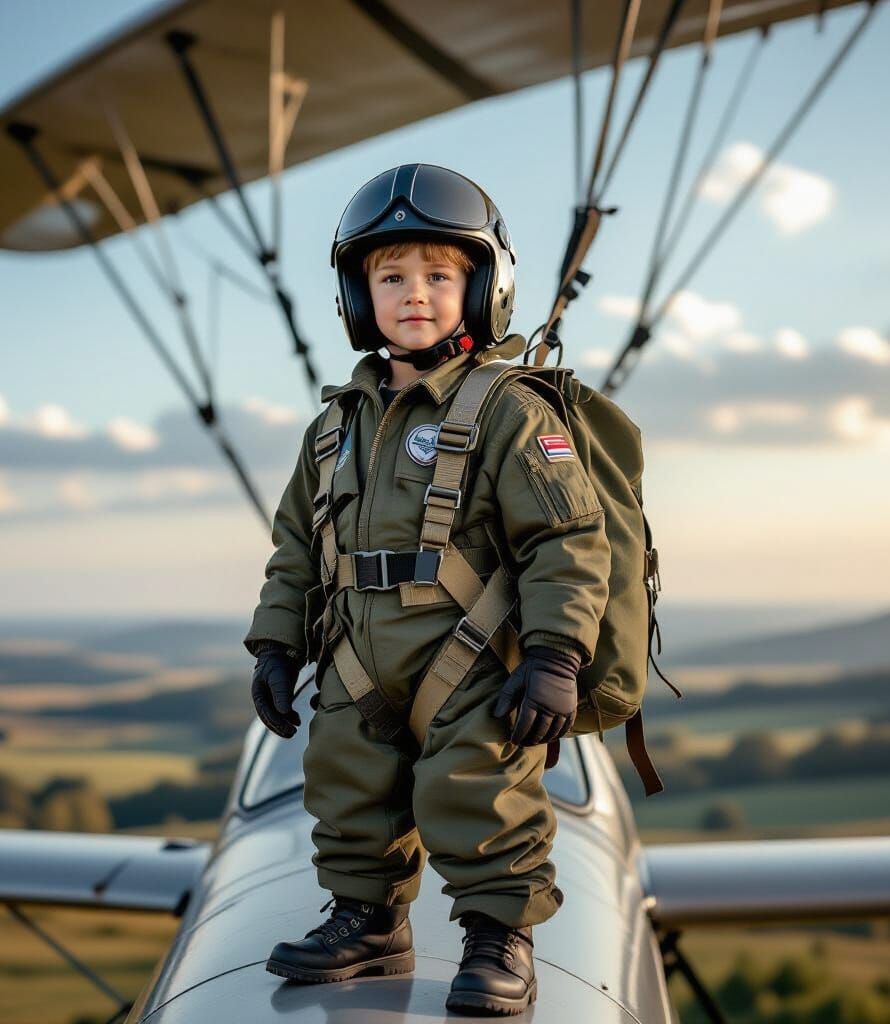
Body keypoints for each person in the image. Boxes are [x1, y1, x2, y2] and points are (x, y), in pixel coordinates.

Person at [245, 164, 610, 1016]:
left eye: (440, 275)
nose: (415, 294)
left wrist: (556, 651)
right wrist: (274, 644)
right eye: (391, 276)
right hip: (355, 658)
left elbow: (564, 538)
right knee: (345, 783)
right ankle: (366, 919)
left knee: (480, 789)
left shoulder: (510, 412)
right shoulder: (335, 426)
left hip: (472, 658)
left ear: (481, 285)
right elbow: (298, 545)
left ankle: (498, 935)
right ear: (356, 294)